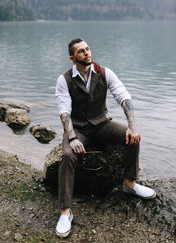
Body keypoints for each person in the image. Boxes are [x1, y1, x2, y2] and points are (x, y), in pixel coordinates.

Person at [55, 38, 156, 238]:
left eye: (88, 49)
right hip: (78, 129)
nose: (87, 53)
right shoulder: (64, 80)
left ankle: (129, 184)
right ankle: (65, 212)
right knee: (68, 156)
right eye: (81, 51)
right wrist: (73, 138)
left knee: (132, 138)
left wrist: (132, 127)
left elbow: (123, 96)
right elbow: (64, 112)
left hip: (102, 124)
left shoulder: (104, 72)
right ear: (72, 57)